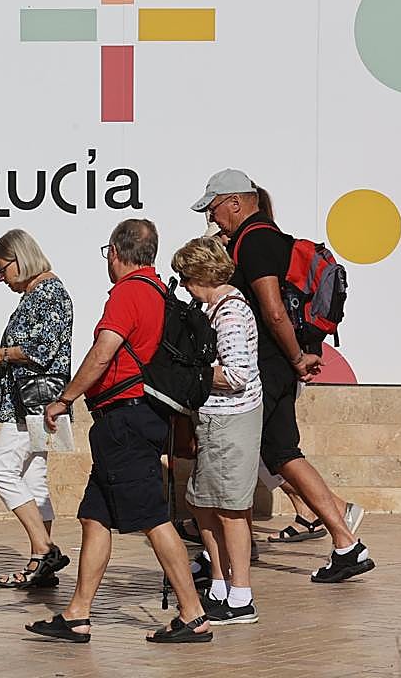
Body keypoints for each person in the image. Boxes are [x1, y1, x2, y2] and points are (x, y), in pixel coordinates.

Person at [30, 219, 212, 644]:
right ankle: (77, 614)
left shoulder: (129, 293)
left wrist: (65, 398)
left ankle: (193, 613)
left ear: (115, 252)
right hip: (140, 417)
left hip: (124, 421)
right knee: (94, 516)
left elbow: (102, 353)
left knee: (152, 519)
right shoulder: (160, 292)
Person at [192, 169, 374, 583]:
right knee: (282, 453)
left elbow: (273, 310)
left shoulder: (255, 241)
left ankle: (219, 559)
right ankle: (346, 543)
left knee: (248, 453)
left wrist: (296, 358)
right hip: (274, 366)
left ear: (235, 202)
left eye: (214, 209)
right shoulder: (261, 238)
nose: (212, 218)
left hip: (266, 367)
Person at [0, 229, 73, 589]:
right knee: (32, 479)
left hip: (35, 403)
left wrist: (1, 354)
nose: (0, 276)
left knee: (1, 470)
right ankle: (40, 562)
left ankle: (44, 548)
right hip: (33, 402)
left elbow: (43, 346)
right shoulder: (36, 295)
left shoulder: (49, 294)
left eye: (1, 268)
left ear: (19, 259)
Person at [171, 237, 263, 625]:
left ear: (200, 276)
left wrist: (190, 373)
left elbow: (238, 374)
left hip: (230, 420)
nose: (186, 287)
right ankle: (221, 584)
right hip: (216, 419)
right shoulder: (217, 309)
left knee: (230, 509)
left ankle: (240, 596)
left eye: (186, 279)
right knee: (202, 502)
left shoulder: (229, 315)